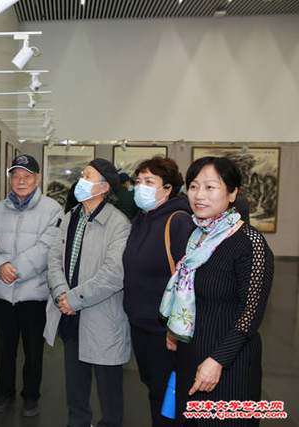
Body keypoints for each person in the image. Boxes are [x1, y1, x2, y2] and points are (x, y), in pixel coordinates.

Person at [159, 156, 274, 426]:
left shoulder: (250, 242)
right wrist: (175, 328)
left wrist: (217, 360)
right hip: (190, 355)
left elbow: (251, 314)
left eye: (210, 187)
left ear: (232, 193)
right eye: (194, 186)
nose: (199, 195)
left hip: (230, 364)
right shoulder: (197, 236)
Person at [44, 158, 131, 427]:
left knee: (109, 393)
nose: (80, 180)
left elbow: (113, 274)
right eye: (81, 174)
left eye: (87, 176)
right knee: (75, 388)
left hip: (102, 317)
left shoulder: (118, 223)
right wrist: (61, 294)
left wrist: (73, 299)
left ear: (104, 187)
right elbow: (54, 259)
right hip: (70, 315)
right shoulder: (71, 216)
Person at [0, 154, 62, 417]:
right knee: (4, 349)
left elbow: (47, 247)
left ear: (37, 179)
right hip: (2, 293)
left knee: (33, 350)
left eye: (27, 176)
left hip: (33, 293)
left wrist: (13, 269)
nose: (21, 181)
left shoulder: (52, 209)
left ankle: (31, 396)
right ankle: (4, 393)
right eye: (16, 176)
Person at [122, 156, 195, 427]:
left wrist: (174, 329)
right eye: (139, 181)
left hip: (163, 330)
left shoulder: (178, 221)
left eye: (149, 182)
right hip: (140, 324)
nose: (140, 186)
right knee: (154, 388)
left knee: (167, 395)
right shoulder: (141, 219)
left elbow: (188, 280)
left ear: (168, 188)